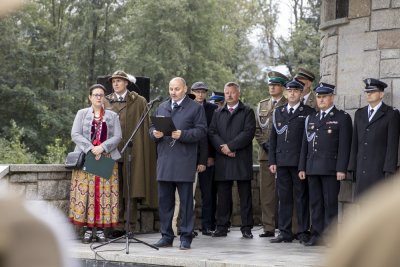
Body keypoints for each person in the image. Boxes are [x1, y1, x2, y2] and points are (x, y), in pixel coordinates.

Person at [150, 77, 207, 250]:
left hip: (184, 161)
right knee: (165, 202)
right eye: (170, 89)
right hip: (165, 161)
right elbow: (151, 128)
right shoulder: (162, 106)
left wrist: (183, 134)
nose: (173, 92)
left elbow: (202, 131)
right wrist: (154, 134)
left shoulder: (195, 108)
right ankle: (166, 236)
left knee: (186, 202)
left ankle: (186, 236)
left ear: (185, 89)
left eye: (176, 89)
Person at [104, 70, 157, 237]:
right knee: (112, 190)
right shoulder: (106, 101)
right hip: (110, 153)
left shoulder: (139, 101)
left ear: (126, 83)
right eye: (114, 81)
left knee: (130, 189)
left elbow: (145, 129)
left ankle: (128, 225)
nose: (116, 83)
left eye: (119, 81)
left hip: (131, 152)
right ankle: (113, 225)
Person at [299, 82, 352, 246]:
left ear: (332, 97)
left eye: (324, 97)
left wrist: (341, 168)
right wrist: (302, 166)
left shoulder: (342, 117)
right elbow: (305, 145)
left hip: (330, 168)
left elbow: (344, 146)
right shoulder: (312, 118)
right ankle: (316, 235)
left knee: (330, 203)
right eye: (319, 97)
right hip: (313, 167)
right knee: (315, 203)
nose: (321, 100)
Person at [69, 83, 122, 243]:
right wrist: (92, 148)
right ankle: (86, 230)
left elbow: (118, 136)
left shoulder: (112, 116)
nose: (99, 97)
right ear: (90, 97)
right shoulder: (82, 113)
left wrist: (103, 147)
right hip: (87, 158)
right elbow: (75, 134)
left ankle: (99, 230)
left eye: (101, 95)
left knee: (102, 196)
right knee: (86, 195)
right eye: (96, 95)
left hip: (105, 158)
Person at [268, 79, 315, 244]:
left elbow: (308, 141)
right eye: (290, 91)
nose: (292, 93)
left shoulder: (308, 112)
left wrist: (304, 164)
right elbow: (272, 138)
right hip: (281, 161)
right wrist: (272, 160)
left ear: (301, 93)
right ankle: (285, 232)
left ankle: (303, 231)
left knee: (301, 197)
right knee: (284, 198)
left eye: (296, 91)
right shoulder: (278, 112)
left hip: (298, 162)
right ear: (286, 93)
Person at [209, 82, 256, 239]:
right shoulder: (217, 112)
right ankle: (221, 226)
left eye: (232, 92)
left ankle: (247, 227)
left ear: (238, 94)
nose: (229, 95)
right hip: (223, 158)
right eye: (226, 92)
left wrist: (231, 146)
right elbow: (212, 132)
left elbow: (248, 133)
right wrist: (223, 148)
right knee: (223, 195)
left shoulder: (247, 111)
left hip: (241, 158)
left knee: (245, 195)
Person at [348, 78, 400, 197]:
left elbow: (392, 145)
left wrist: (389, 170)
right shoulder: (359, 114)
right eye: (367, 92)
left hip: (379, 170)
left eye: (373, 91)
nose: (369, 94)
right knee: (362, 205)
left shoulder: (391, 114)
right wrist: (352, 167)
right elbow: (355, 142)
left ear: (381, 94)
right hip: (361, 169)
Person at [255, 71, 288, 238]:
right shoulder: (262, 105)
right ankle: (268, 227)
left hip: (284, 155)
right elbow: (257, 129)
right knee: (266, 193)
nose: (272, 87)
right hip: (265, 155)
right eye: (270, 85)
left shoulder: (288, 103)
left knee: (286, 193)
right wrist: (265, 144)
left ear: (282, 87)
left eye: (275, 85)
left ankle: (288, 227)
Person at [190, 81, 218, 235]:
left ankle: (207, 225)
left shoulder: (213, 109)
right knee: (188, 195)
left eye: (203, 92)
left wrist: (211, 156)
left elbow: (214, 134)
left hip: (207, 157)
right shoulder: (187, 107)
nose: (200, 94)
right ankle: (189, 227)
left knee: (208, 193)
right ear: (192, 92)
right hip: (189, 157)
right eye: (197, 91)